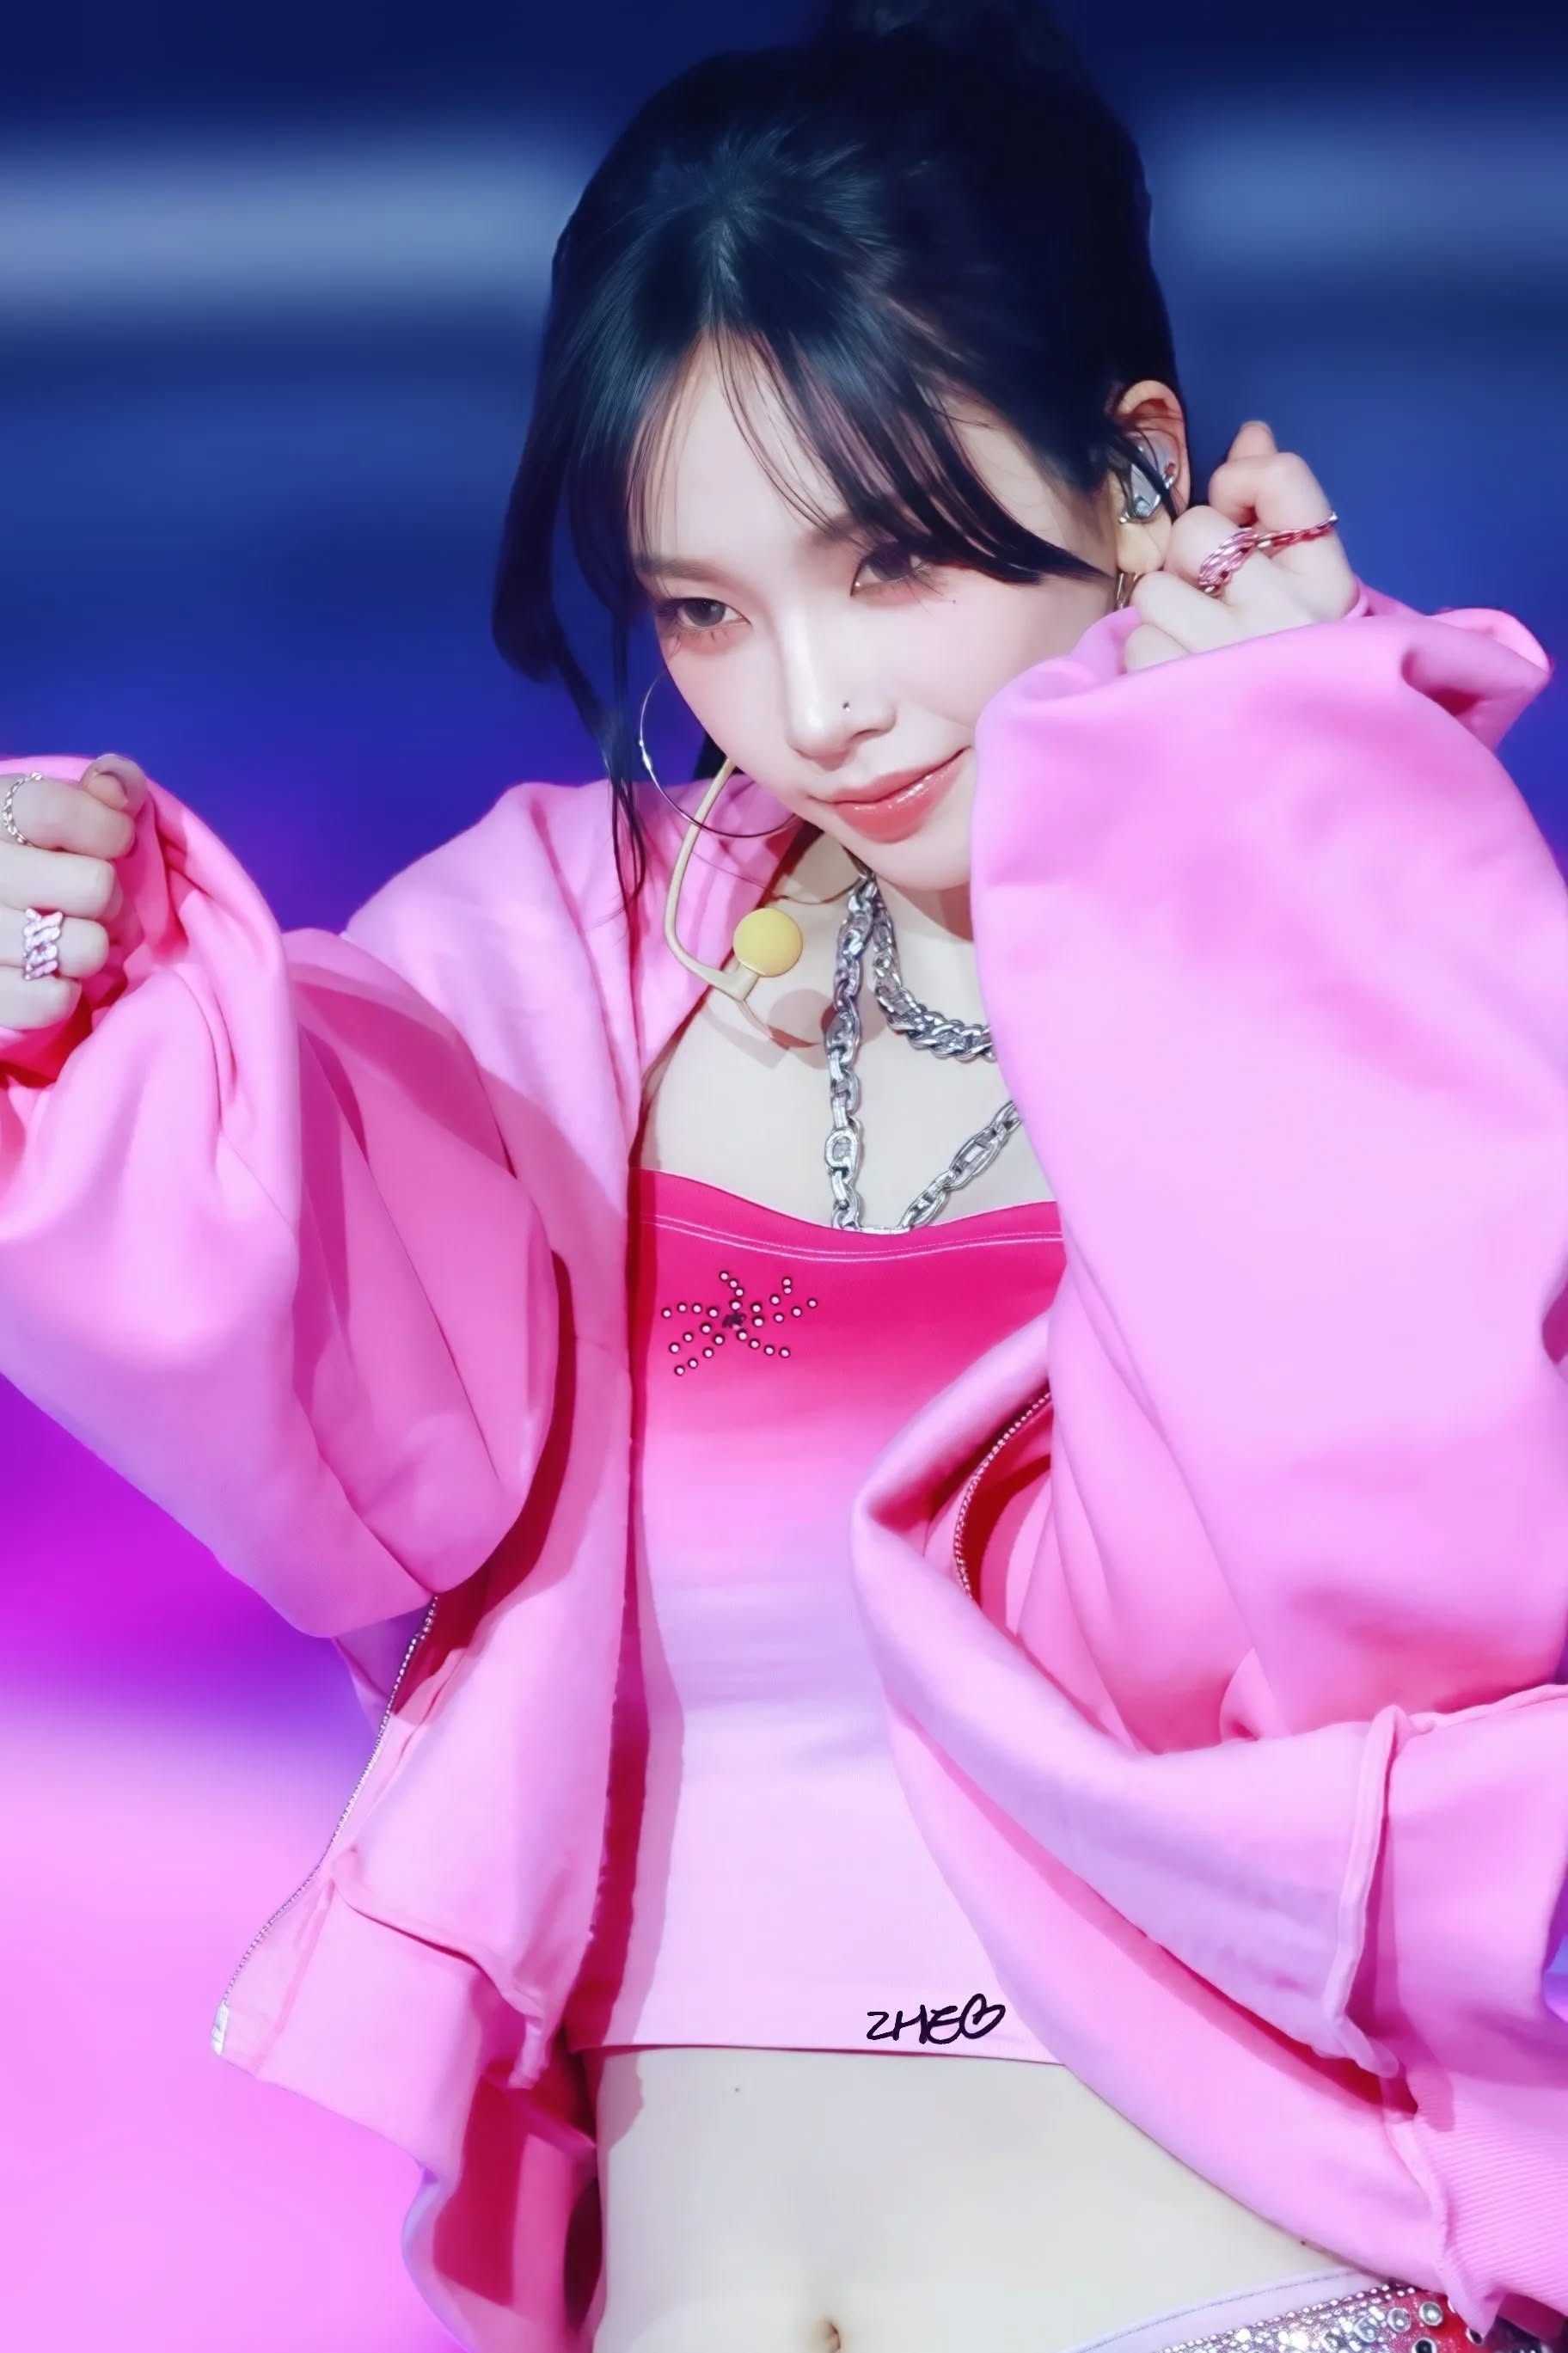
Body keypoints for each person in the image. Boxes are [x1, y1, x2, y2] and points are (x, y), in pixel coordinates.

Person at [3, 3, 1567, 2350]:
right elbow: (292, 1343)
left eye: (894, 563)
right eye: (709, 610)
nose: (815, 703)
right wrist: (89, 991)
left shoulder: (1339, 948)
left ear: (1136, 465)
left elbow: (1439, 1562)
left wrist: (1264, 808)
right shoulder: (560, 981)